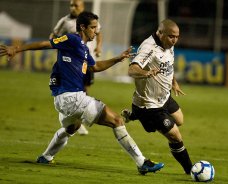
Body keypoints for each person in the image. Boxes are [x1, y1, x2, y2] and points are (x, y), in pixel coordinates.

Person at [0, 11, 164, 175]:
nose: (95, 31)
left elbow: (95, 67)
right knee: (117, 120)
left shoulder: (84, 49)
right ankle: (142, 162)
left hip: (63, 100)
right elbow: (45, 44)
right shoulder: (72, 39)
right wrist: (17, 48)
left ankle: (46, 156)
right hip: (72, 97)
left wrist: (117, 58)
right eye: (93, 28)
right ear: (82, 27)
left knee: (72, 127)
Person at [121, 19, 193, 174]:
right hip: (150, 106)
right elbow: (132, 70)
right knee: (175, 136)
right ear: (160, 33)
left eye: (177, 37)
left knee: (179, 120)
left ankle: (134, 116)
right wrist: (146, 72)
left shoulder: (168, 46)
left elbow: (168, 65)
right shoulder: (149, 48)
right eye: (171, 36)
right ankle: (191, 170)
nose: (174, 40)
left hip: (164, 97)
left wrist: (174, 83)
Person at [49, 0, 103, 135]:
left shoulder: (90, 20)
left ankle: (78, 118)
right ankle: (76, 118)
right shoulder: (65, 21)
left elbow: (99, 32)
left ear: (82, 7)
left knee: (85, 89)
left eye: (76, 5)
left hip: (88, 61)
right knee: (75, 90)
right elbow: (54, 35)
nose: (73, 8)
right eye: (71, 5)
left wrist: (98, 46)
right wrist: (58, 47)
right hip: (73, 64)